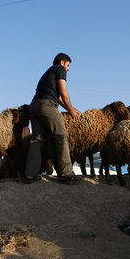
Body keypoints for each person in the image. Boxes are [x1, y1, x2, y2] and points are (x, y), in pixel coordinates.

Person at [23, 53, 81, 184]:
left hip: (34, 106)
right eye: (68, 65)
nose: (68, 69)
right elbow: (63, 91)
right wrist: (71, 111)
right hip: (46, 105)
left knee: (37, 140)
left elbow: (59, 98)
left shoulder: (48, 73)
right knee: (61, 135)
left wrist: (70, 108)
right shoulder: (59, 69)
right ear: (62, 62)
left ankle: (30, 174)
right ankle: (66, 173)